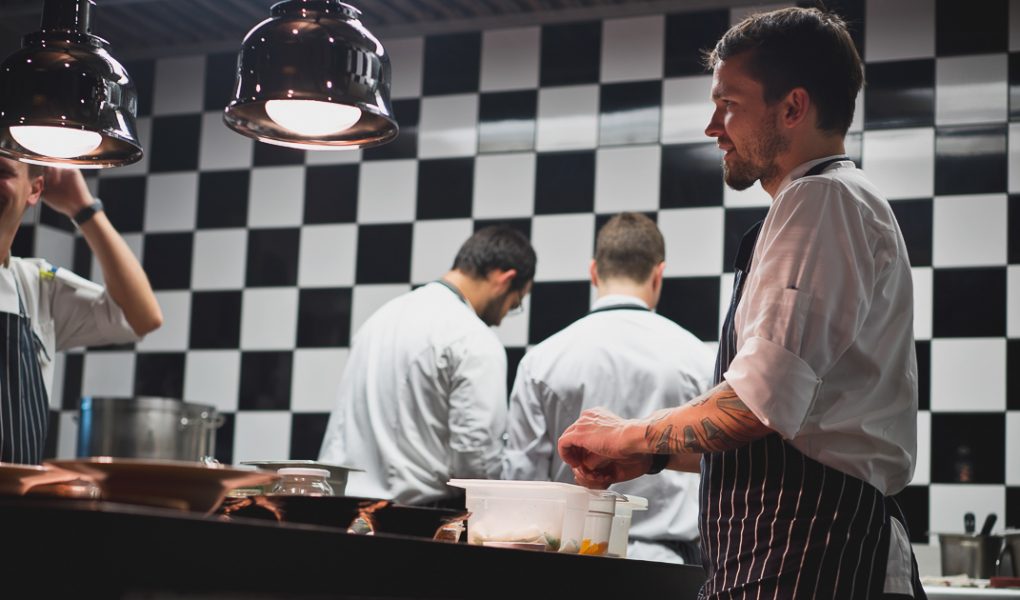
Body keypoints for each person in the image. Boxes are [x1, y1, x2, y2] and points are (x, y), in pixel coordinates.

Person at [557, 7, 925, 599]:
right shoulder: (817, 204)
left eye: (728, 104)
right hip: (788, 555)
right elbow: (781, 438)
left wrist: (626, 436)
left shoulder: (822, 199)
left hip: (817, 555)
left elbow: (755, 406)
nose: (713, 127)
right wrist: (652, 460)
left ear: (793, 107)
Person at [502, 212, 713, 564]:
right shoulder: (699, 358)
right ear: (658, 274)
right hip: (669, 566)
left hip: (566, 560)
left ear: (593, 271)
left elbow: (523, 481)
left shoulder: (541, 360)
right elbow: (717, 465)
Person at [319, 225, 536, 506]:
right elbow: (477, 462)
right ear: (505, 279)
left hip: (341, 510)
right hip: (414, 520)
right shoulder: (473, 337)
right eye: (516, 303)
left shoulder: (379, 320)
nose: (503, 317)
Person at [0, 158, 162, 464]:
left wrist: (82, 207)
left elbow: (141, 317)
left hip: (18, 494)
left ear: (34, 189)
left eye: (2, 172)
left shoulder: (34, 285)